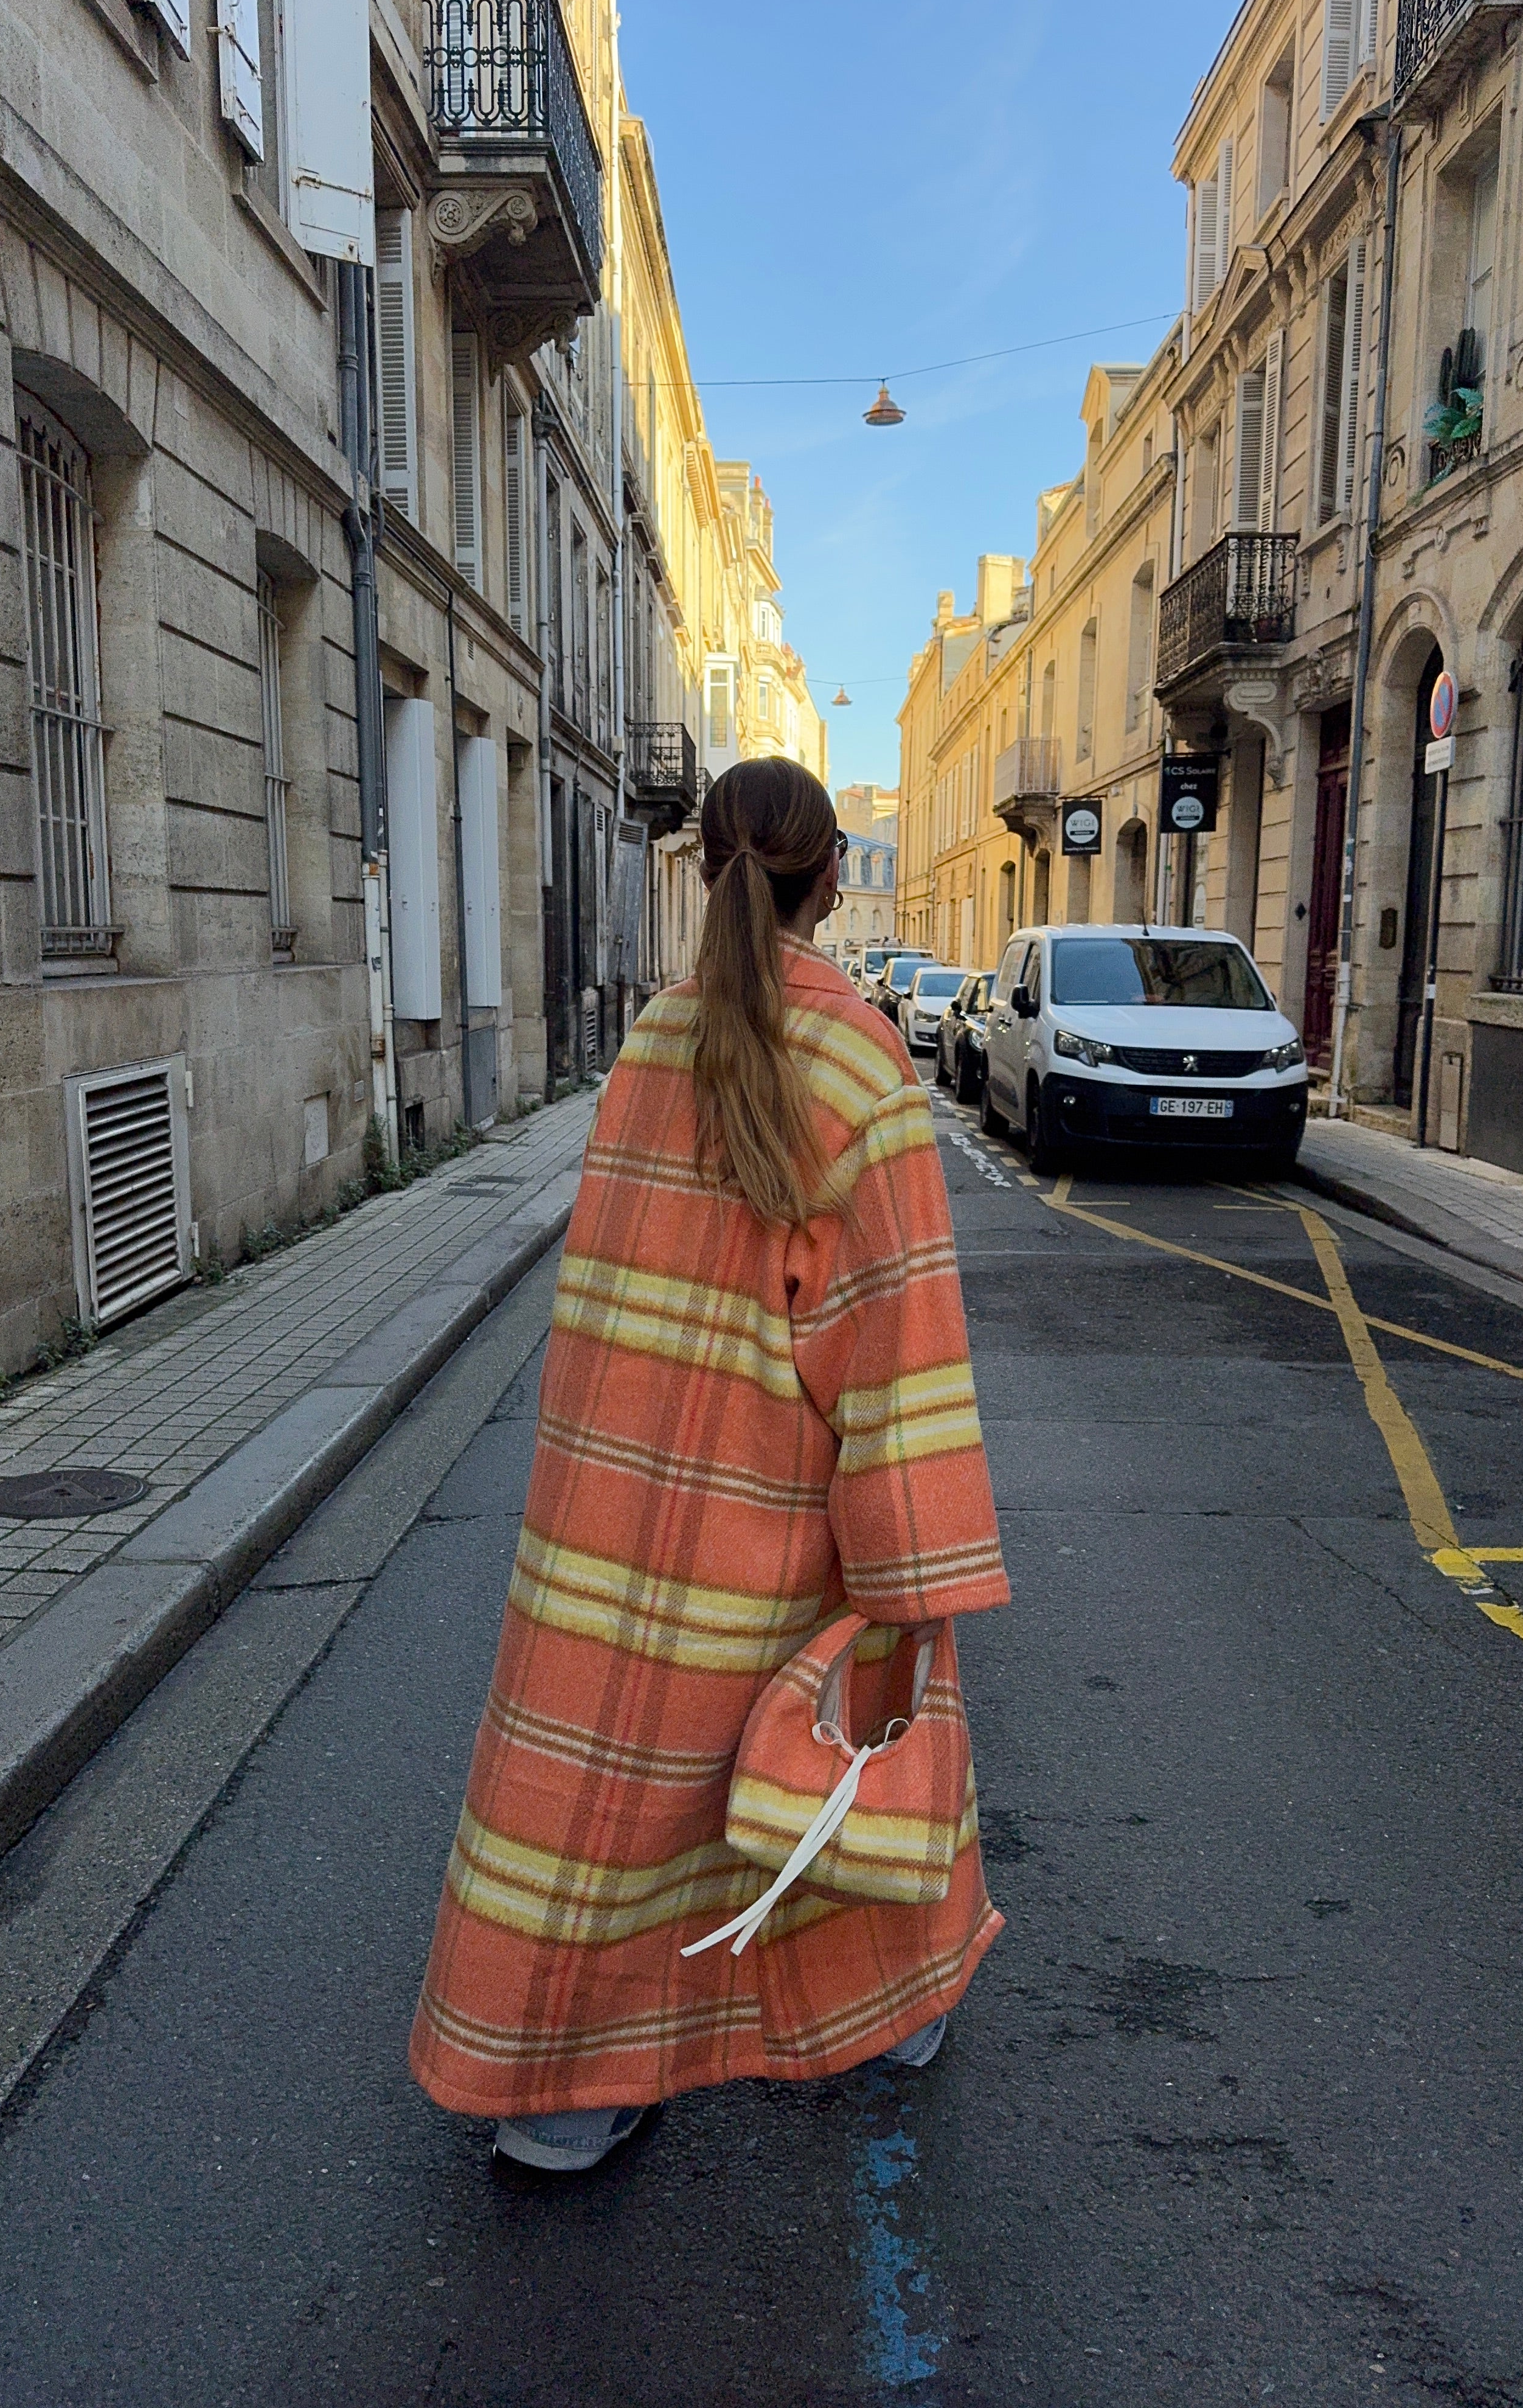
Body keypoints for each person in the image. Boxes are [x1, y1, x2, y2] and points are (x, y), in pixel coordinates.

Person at [409, 757, 1009, 2172]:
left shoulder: (650, 1048)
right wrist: (908, 1558)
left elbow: (607, 1284)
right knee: (850, 1740)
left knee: (602, 1796)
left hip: (616, 1499)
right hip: (781, 1499)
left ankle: (560, 2085)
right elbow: (895, 1338)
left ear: (706, 870)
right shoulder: (861, 1062)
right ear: (833, 878)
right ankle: (892, 2001)